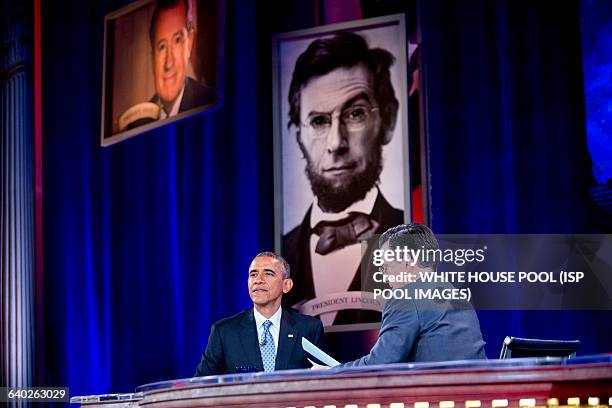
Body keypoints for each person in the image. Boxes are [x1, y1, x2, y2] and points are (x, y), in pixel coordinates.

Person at [283, 31, 404, 326]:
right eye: (319, 121)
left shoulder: (417, 242)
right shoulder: (281, 252)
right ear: (299, 137)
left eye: (355, 114)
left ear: (387, 122)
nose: (336, 142)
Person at [337, 224, 487, 366]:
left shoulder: (406, 297)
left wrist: (332, 373)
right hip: (475, 390)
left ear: (407, 264)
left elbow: (381, 363)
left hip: (436, 392)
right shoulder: (457, 296)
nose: (385, 277)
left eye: (386, 267)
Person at [194, 252, 328, 376]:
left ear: (286, 285)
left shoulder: (309, 328)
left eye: (268, 274)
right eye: (253, 274)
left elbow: (326, 381)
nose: (258, 280)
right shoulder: (224, 332)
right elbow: (200, 387)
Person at [149, 0, 214, 119]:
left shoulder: (209, 101)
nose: (169, 63)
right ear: (153, 58)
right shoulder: (139, 123)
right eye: (162, 47)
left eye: (177, 40)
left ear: (189, 44)